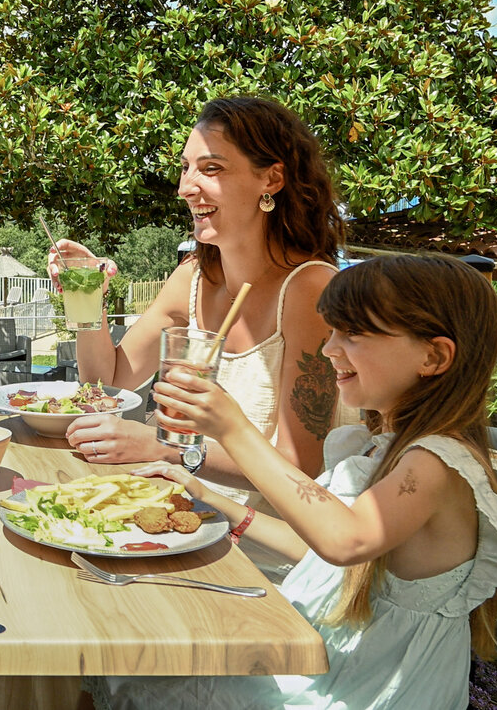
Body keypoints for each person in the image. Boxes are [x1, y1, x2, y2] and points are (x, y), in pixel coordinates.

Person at [85, 254, 497, 709]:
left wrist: (233, 429)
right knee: (124, 654)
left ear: (433, 356)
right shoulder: (386, 446)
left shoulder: (436, 463)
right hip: (332, 658)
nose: (329, 348)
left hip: (367, 688)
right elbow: (326, 556)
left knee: (124, 667)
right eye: (333, 331)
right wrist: (207, 496)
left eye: (352, 335)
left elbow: (346, 542)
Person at [50, 97, 354, 573]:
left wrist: (164, 449)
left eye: (210, 169)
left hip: (268, 555)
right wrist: (87, 298)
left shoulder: (309, 290)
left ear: (270, 180)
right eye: (186, 168)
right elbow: (107, 382)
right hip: (184, 525)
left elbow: (301, 469)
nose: (186, 188)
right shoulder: (192, 277)